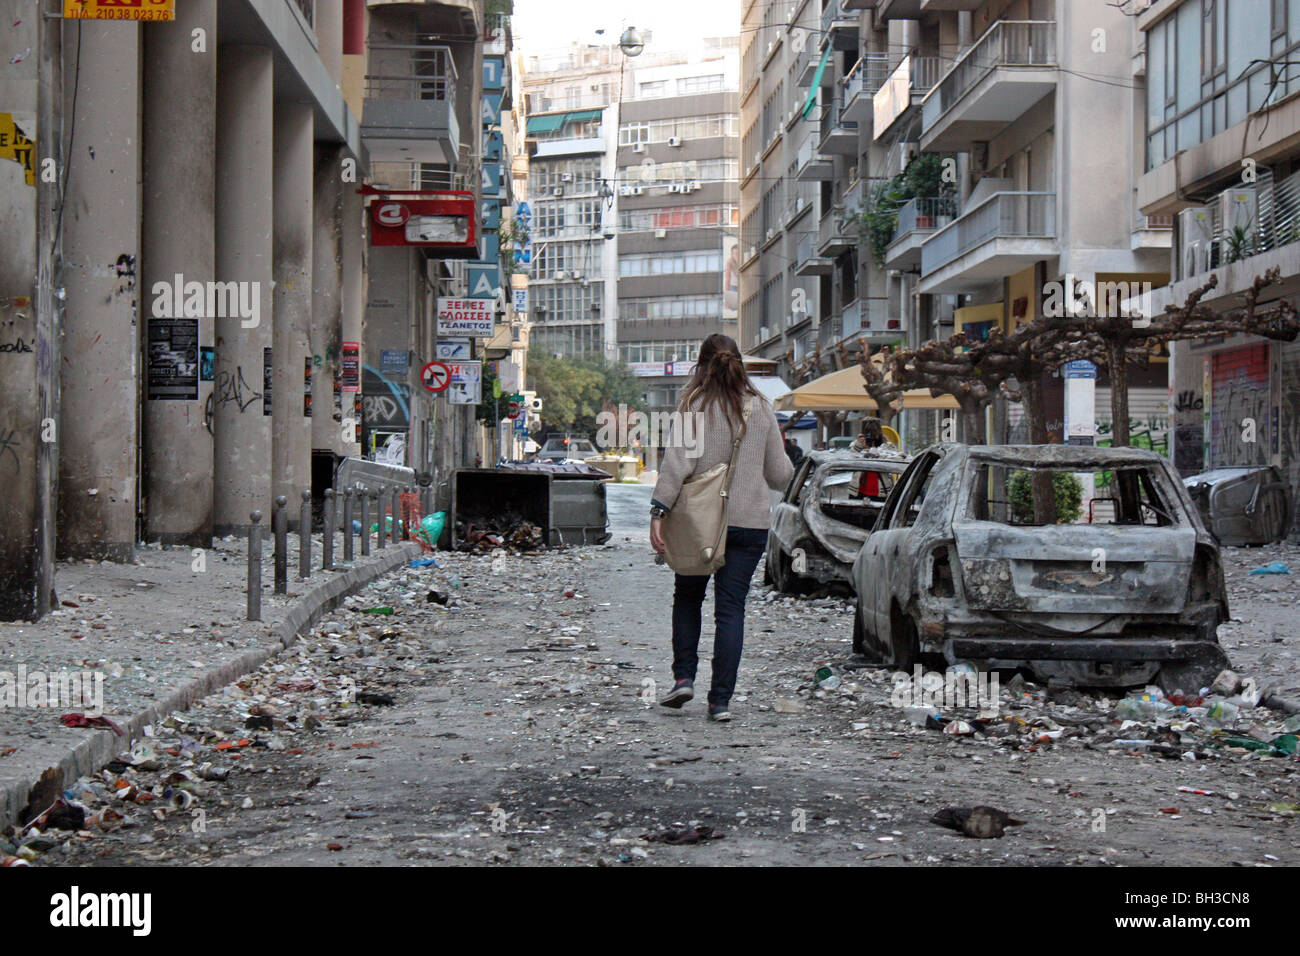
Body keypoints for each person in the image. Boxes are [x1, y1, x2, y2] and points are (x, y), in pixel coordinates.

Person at [649, 333, 793, 722]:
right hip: (749, 525)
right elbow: (780, 475)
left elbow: (675, 466)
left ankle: (683, 679)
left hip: (698, 523)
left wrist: (658, 512)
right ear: (739, 365)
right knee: (731, 611)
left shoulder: (693, 406)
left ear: (701, 366)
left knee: (688, 597)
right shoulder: (761, 409)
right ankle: (721, 702)